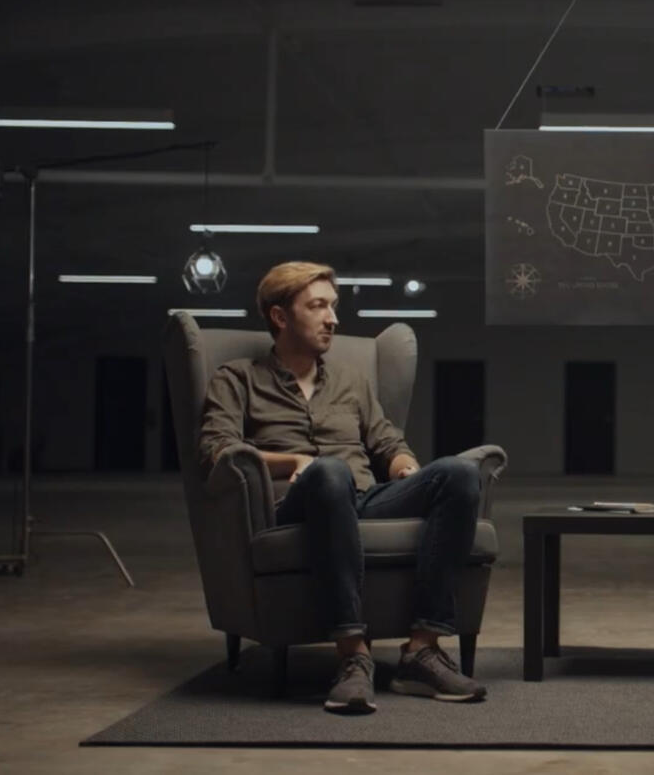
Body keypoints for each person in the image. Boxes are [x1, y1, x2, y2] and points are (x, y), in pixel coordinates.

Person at [198, 261, 486, 714]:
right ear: (280, 316)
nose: (332, 319)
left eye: (333, 306)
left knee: (459, 473)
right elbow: (219, 451)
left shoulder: (351, 381)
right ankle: (353, 656)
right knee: (329, 473)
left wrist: (407, 469)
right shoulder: (237, 379)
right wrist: (297, 462)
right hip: (295, 506)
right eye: (318, 306)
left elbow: (388, 443)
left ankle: (422, 650)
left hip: (362, 498)